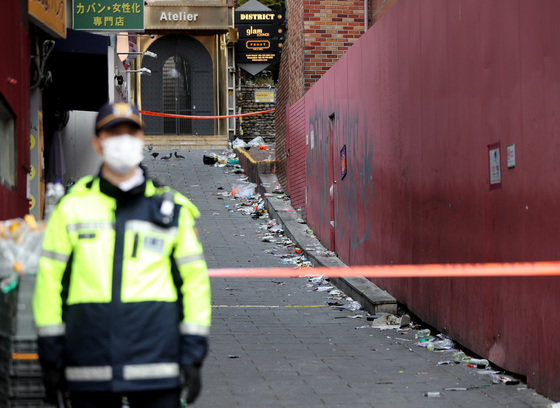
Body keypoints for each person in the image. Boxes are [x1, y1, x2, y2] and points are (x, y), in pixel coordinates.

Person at [33, 102, 211, 408]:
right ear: (97, 143)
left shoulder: (171, 211)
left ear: (142, 140)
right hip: (89, 365)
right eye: (113, 133)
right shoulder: (72, 209)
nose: (123, 140)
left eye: (131, 132)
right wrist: (50, 357)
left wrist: (193, 355)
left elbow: (194, 285)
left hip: (156, 365)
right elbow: (50, 284)